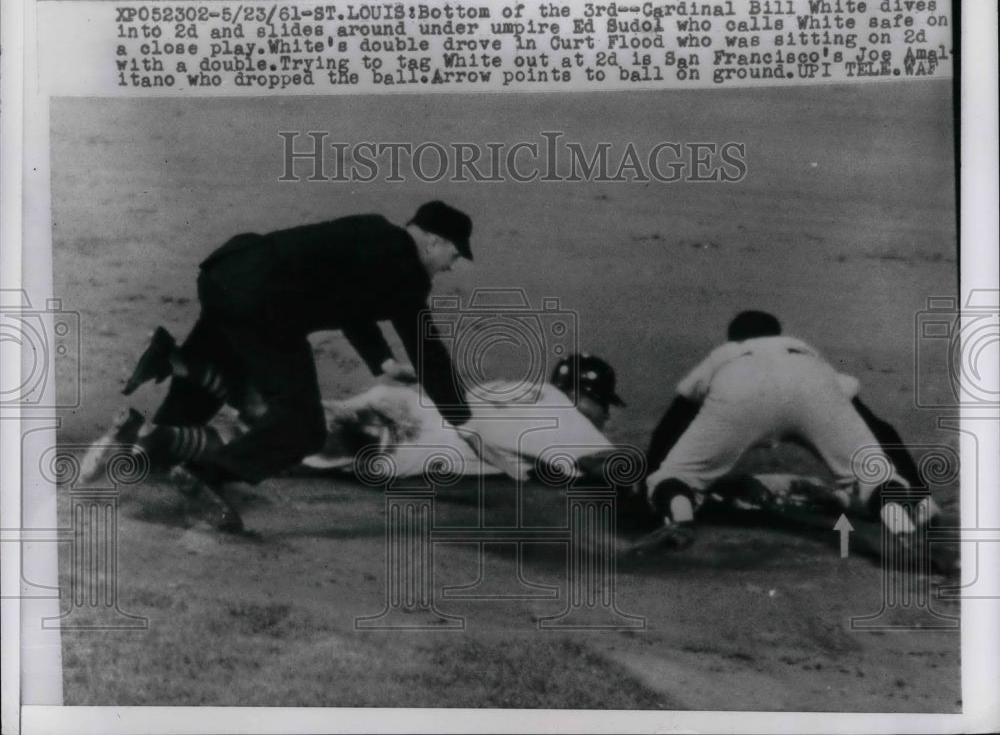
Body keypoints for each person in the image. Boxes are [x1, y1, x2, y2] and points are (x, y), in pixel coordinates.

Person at [92, 201, 475, 532]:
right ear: (434, 241)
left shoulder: (371, 229)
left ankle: (155, 427)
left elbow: (351, 305)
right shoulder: (407, 273)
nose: (451, 266)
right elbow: (428, 351)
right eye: (454, 255)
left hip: (228, 274)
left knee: (207, 385)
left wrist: (383, 361)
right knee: (301, 427)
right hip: (267, 304)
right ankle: (207, 474)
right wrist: (465, 423)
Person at [629, 310, 940, 550]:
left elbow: (673, 422)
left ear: (734, 340)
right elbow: (879, 427)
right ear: (778, 335)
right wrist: (921, 493)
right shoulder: (804, 352)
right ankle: (906, 530)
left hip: (740, 393)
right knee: (873, 475)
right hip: (813, 388)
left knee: (676, 475)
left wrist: (649, 478)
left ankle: (679, 519)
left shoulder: (726, 355)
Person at [302, 353, 629, 483]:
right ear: (576, 396)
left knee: (293, 424)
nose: (606, 415)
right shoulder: (566, 417)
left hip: (403, 404)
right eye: (601, 403)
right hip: (409, 438)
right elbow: (609, 467)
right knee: (314, 442)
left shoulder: (519, 388)